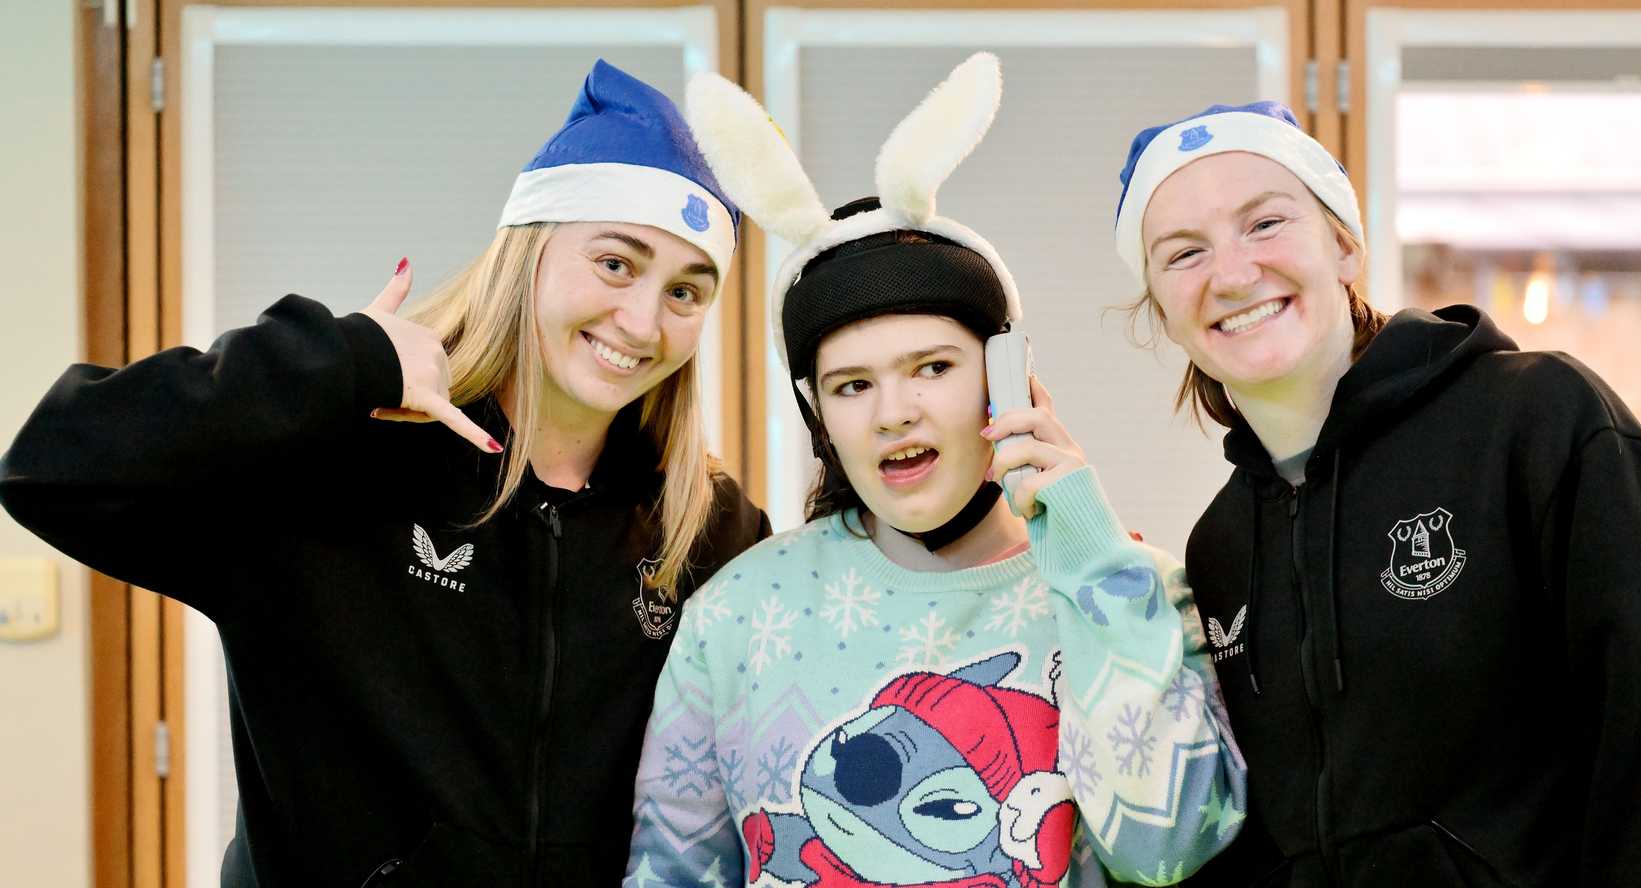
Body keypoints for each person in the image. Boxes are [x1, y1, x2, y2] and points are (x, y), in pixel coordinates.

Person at [0, 60, 769, 886]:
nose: (643, 320)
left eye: (687, 292)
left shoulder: (708, 529)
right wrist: (340, 361)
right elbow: (52, 467)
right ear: (529, 254)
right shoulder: (337, 461)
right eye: (616, 264)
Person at [625, 54, 1244, 888]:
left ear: (1007, 375)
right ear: (819, 417)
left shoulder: (1138, 589)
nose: (893, 412)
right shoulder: (735, 616)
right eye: (852, 385)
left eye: (932, 368)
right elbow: (669, 873)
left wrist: (1090, 551)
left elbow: (1165, 848)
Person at [1113, 100, 1641, 885]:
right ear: (1162, 311)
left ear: (1344, 244)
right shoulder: (1222, 546)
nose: (1232, 274)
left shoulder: (1537, 423)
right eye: (1183, 253)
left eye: (1265, 224)